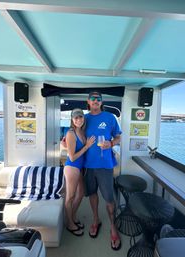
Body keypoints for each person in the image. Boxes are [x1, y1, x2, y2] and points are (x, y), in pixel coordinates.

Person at [84, 91, 122, 250]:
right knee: (92, 194)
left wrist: (112, 144)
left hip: (105, 165)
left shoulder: (110, 117)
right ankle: (95, 220)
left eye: (98, 99)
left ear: (101, 102)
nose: (95, 100)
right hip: (87, 165)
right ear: (88, 101)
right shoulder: (83, 119)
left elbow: (119, 136)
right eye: (92, 98)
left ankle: (113, 226)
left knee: (109, 198)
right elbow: (73, 134)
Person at [64, 108, 95, 236]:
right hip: (72, 167)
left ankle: (73, 216)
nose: (78, 120)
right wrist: (87, 146)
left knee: (81, 193)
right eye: (75, 118)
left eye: (80, 117)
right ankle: (70, 224)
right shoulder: (71, 133)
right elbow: (72, 157)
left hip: (80, 167)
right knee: (70, 197)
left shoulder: (82, 132)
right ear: (72, 119)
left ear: (83, 118)